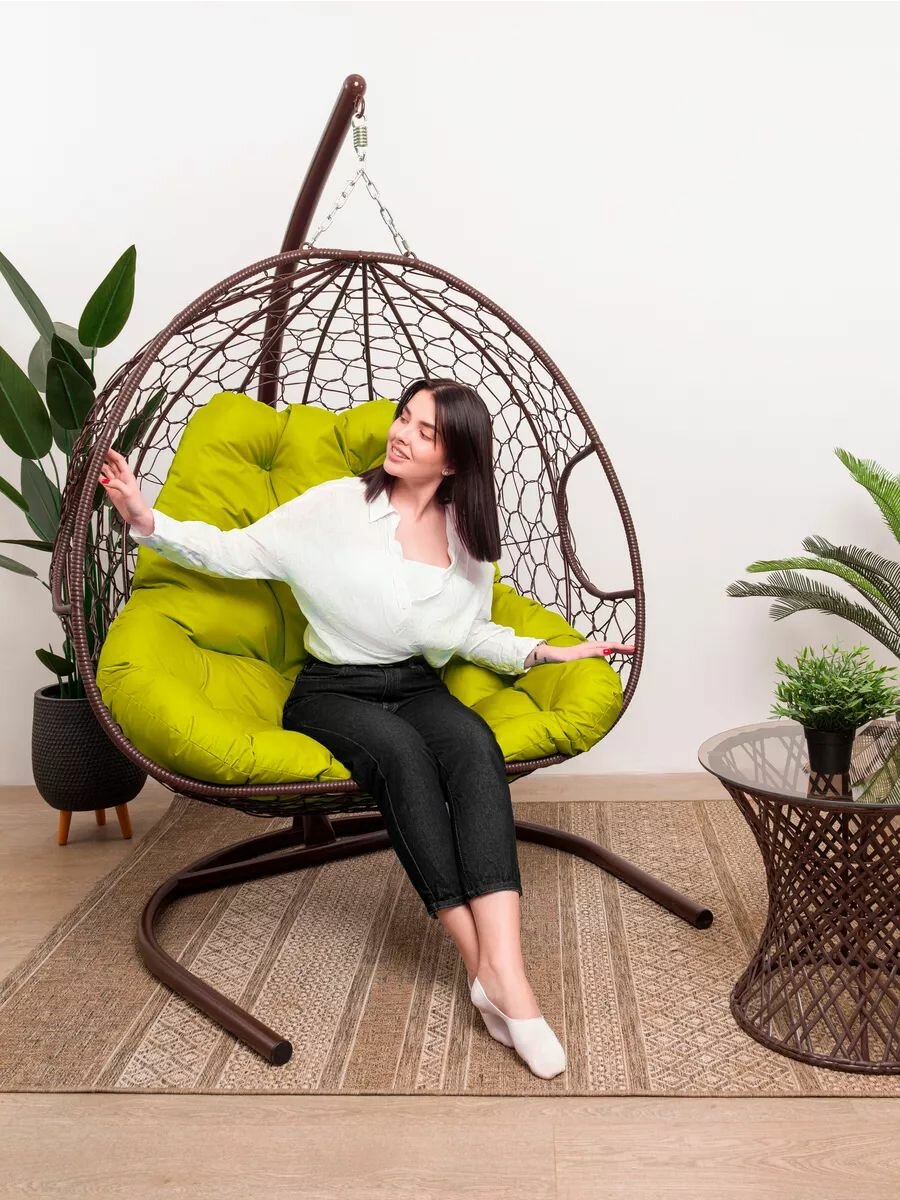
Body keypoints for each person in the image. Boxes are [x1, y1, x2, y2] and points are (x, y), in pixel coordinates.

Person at [99, 376, 635, 1079]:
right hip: (332, 689)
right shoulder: (335, 506)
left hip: (416, 684)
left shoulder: (468, 539)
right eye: (404, 417)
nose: (401, 434)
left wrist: (543, 652)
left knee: (474, 746)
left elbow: (470, 633)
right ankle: (497, 976)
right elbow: (236, 551)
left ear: (455, 459)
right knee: (403, 758)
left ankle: (502, 972)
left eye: (424, 430)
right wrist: (146, 518)